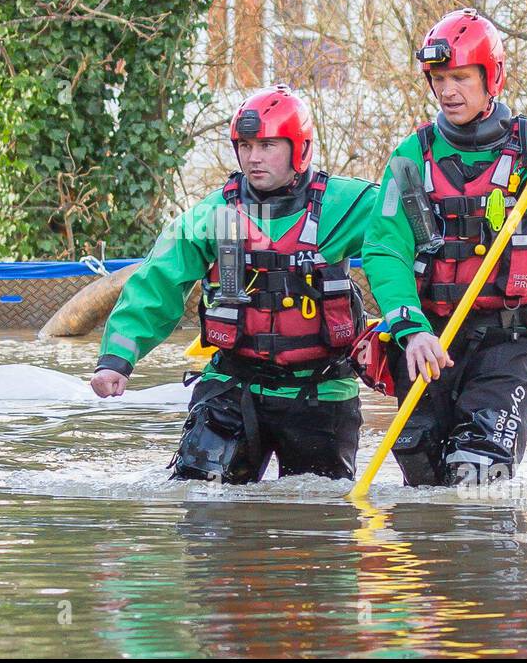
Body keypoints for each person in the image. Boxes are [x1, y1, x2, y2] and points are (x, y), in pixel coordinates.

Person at [360, 8, 527, 487]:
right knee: (425, 478)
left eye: (461, 77)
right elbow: (386, 251)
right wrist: (411, 331)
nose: (447, 91)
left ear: (492, 78)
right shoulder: (408, 159)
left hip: (507, 344)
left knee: (478, 473)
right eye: (439, 78)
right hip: (431, 343)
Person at [91, 84, 379, 484]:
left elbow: (402, 248)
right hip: (231, 388)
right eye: (244, 146)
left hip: (321, 393)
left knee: (320, 524)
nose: (253, 158)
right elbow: (157, 282)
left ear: (301, 148)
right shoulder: (214, 214)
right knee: (201, 505)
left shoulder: (349, 204)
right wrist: (117, 360)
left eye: (267, 146)